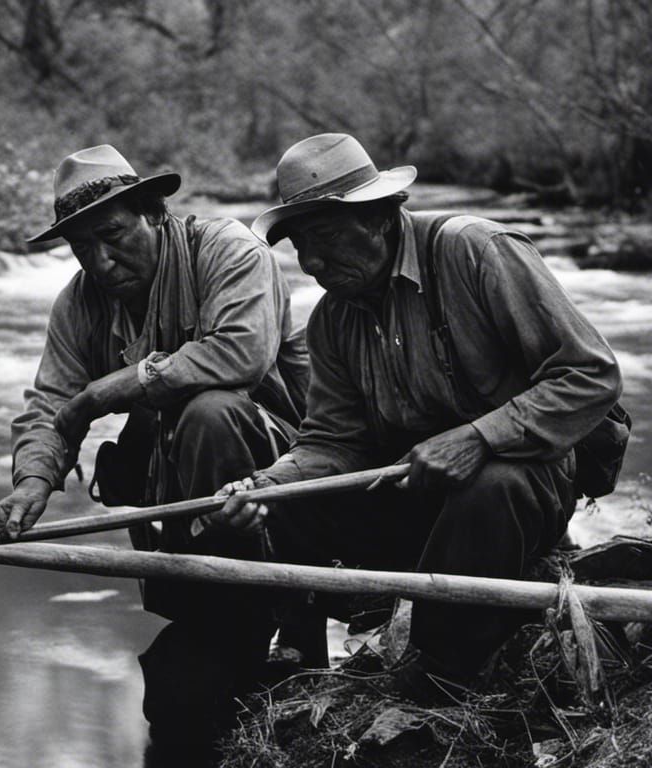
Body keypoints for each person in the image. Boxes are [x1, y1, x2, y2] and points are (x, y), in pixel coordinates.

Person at [213, 133, 623, 701]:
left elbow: (590, 376)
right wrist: (267, 487)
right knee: (280, 512)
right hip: (414, 492)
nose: (309, 262)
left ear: (382, 216)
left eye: (325, 236)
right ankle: (286, 648)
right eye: (300, 244)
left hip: (522, 479)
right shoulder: (333, 320)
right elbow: (334, 443)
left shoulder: (477, 251)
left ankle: (438, 671)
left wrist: (479, 438)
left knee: (492, 482)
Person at [0, 144, 308, 761]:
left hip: (282, 471)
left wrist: (107, 391)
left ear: (154, 214)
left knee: (210, 411)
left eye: (111, 235)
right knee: (180, 706)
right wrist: (32, 480)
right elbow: (47, 405)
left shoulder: (228, 249)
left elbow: (240, 354)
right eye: (82, 247)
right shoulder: (79, 302)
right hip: (181, 494)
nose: (100, 262)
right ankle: (214, 621)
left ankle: (265, 611)